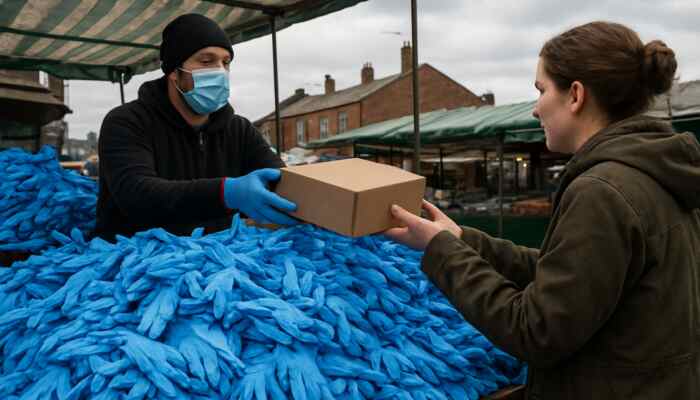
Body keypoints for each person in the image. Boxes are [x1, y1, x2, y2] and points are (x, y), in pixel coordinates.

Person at [386, 21, 700, 399]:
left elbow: (536, 330)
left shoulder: (602, 192)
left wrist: (444, 254)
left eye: (541, 89)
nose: (535, 109)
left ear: (576, 95)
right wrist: (462, 240)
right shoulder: (653, 172)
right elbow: (569, 275)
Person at [95, 13, 297, 241]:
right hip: (135, 260)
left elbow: (282, 180)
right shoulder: (126, 122)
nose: (220, 71)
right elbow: (138, 196)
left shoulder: (239, 129)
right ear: (174, 72)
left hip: (216, 259)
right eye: (206, 61)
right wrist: (226, 192)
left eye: (225, 62)